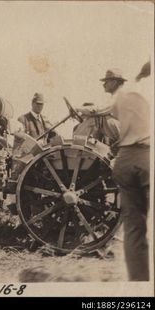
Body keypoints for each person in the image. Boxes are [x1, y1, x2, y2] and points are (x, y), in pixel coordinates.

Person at [76, 68, 150, 281]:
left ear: (115, 82)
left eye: (106, 81)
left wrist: (78, 108)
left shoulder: (120, 98)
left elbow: (97, 111)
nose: (103, 85)